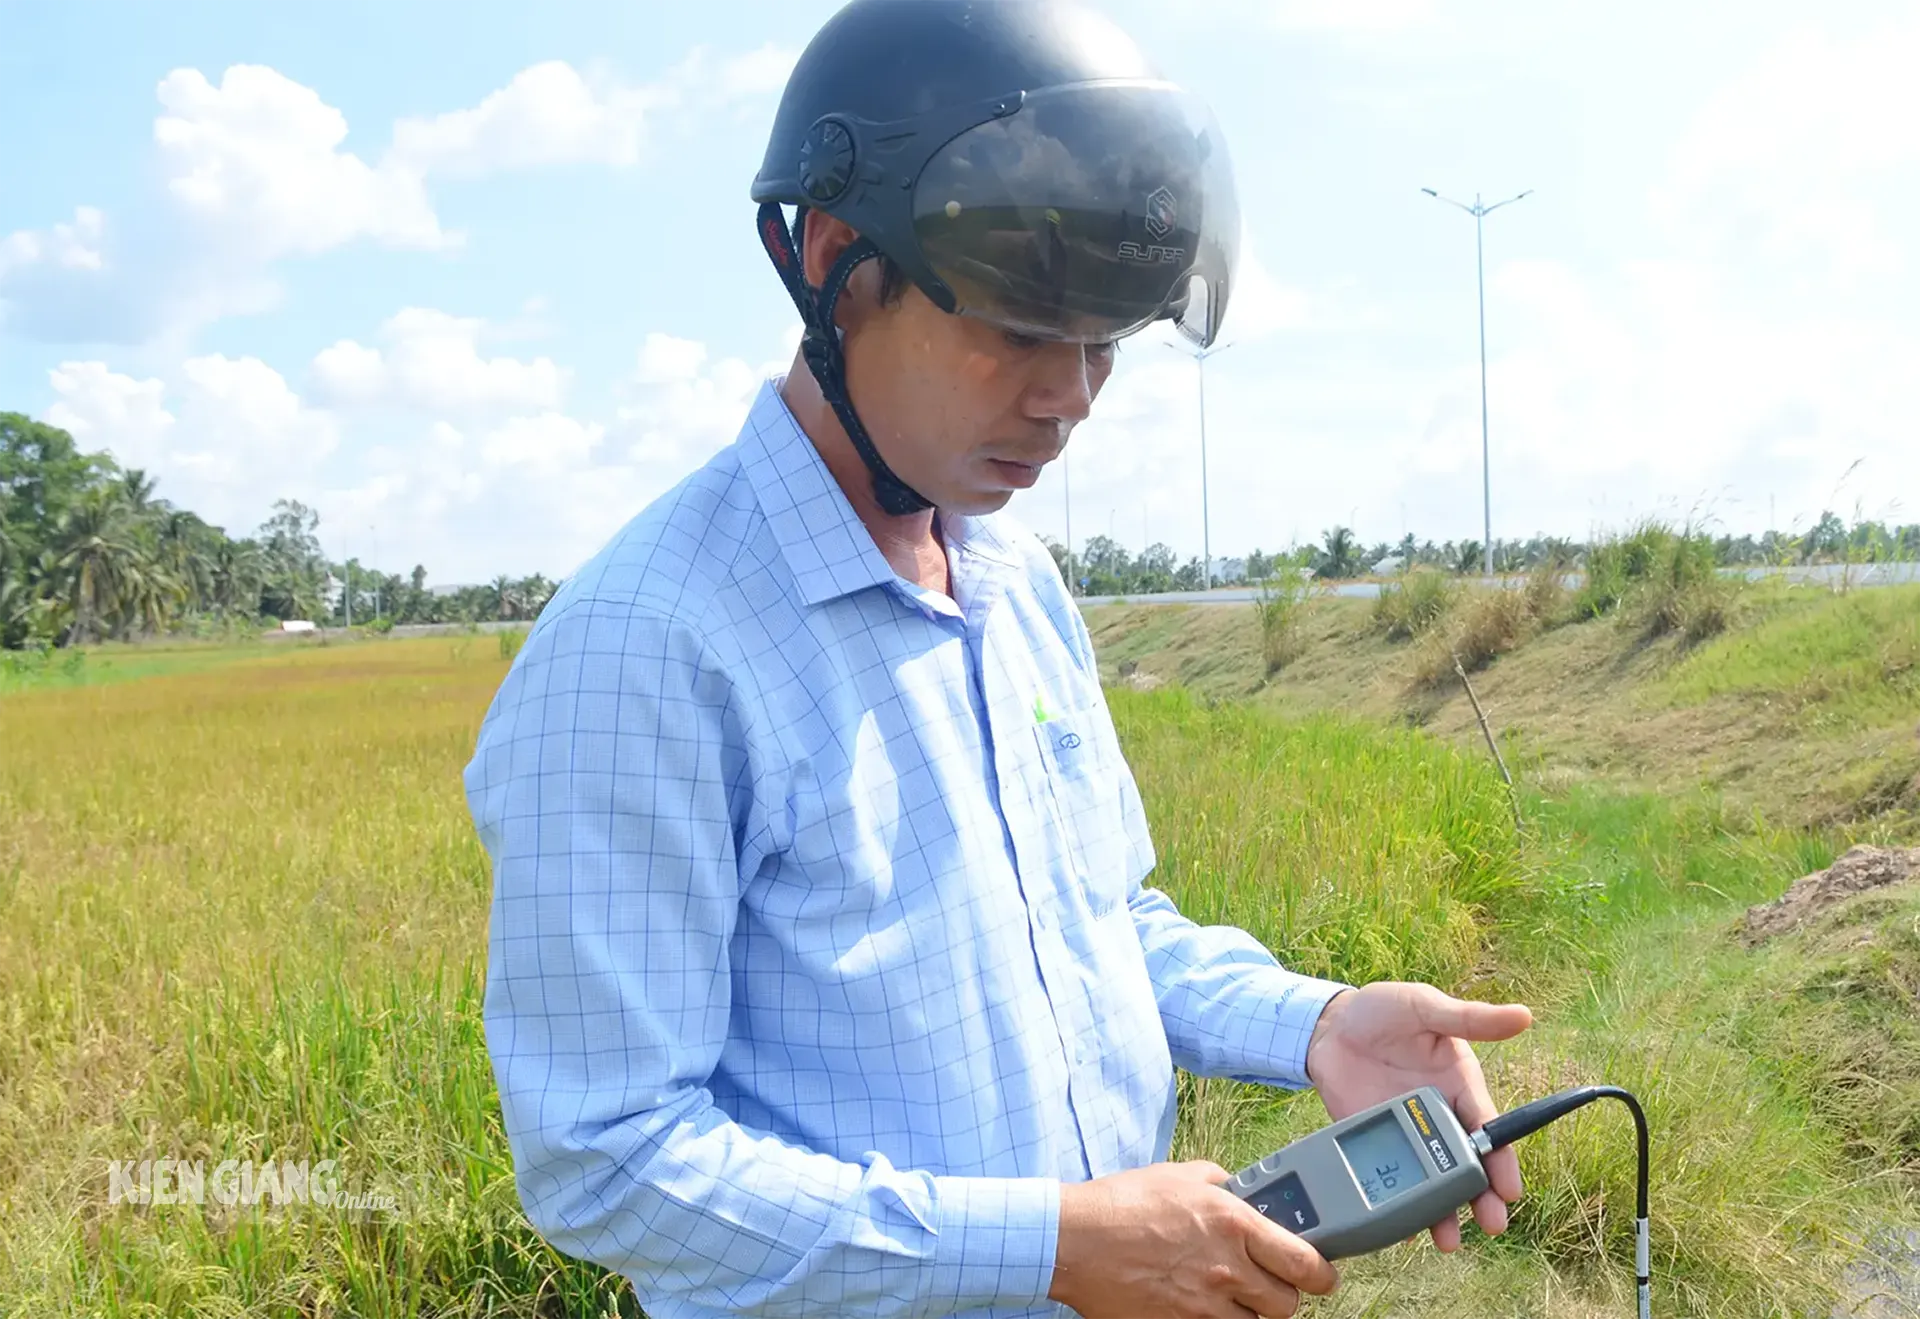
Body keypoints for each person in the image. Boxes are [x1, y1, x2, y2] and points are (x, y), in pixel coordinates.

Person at [463, 1, 1534, 1316]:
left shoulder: (1015, 580)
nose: (1070, 396)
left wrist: (1310, 1021)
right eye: (1023, 331)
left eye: (1104, 344)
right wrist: (1049, 1245)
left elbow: (1098, 925)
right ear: (836, 260)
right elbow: (608, 1157)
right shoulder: (644, 649)